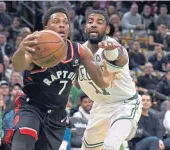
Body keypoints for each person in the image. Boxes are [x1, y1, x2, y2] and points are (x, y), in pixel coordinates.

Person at [9, 6, 117, 150]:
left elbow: (100, 81)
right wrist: (21, 51)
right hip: (32, 107)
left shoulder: (80, 51)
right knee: (23, 144)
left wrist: (110, 74)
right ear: (46, 27)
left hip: (57, 115)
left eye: (65, 22)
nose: (62, 24)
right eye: (56, 21)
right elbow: (18, 66)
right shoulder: (36, 48)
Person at [78, 10, 142, 150]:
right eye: (90, 22)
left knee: (110, 145)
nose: (94, 25)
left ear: (107, 29)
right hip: (100, 106)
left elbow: (120, 57)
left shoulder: (114, 47)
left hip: (125, 104)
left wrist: (112, 52)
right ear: (85, 28)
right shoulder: (78, 52)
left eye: (99, 22)